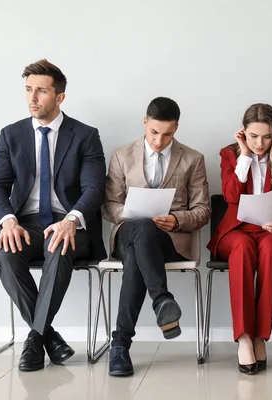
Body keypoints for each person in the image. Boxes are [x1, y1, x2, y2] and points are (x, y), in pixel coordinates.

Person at [0, 59, 107, 371]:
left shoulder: (85, 135)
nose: (32, 98)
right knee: (5, 249)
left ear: (59, 97)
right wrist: (8, 220)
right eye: (28, 90)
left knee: (58, 243)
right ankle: (47, 336)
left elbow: (94, 189)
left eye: (41, 91)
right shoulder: (11, 135)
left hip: (71, 226)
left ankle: (35, 341)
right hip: (24, 226)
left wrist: (70, 220)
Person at [103, 97, 211, 376]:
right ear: (144, 123)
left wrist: (177, 220)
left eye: (167, 134)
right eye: (154, 132)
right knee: (141, 230)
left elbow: (203, 210)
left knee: (138, 256)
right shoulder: (121, 155)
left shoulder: (192, 159)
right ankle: (161, 299)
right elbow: (108, 204)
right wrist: (131, 213)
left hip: (169, 240)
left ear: (176, 128)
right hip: (128, 232)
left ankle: (120, 346)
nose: (159, 140)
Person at [207, 103, 272, 374]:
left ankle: (261, 335)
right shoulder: (229, 155)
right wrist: (245, 156)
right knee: (241, 248)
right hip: (236, 231)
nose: (260, 143)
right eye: (253, 137)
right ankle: (244, 337)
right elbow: (230, 197)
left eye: (266, 137)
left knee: (271, 248)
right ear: (243, 133)